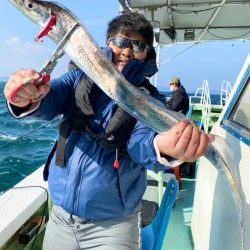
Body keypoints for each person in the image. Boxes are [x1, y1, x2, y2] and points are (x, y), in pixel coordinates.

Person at [4, 12, 214, 250]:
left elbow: (141, 143)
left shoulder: (150, 99)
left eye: (138, 45)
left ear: (147, 52)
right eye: (121, 42)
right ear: (107, 44)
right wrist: (27, 97)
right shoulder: (77, 78)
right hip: (61, 218)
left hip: (115, 227)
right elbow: (50, 99)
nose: (126, 51)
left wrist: (163, 147)